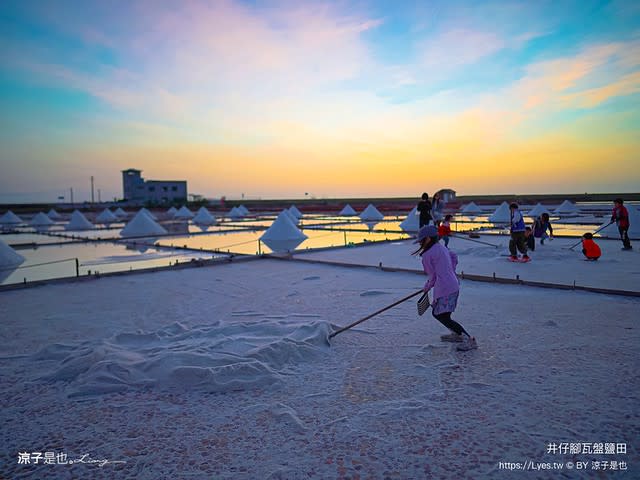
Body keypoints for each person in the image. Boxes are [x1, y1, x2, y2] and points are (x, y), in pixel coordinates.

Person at [412, 225, 477, 351]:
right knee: (443, 315)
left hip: (445, 288)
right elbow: (453, 256)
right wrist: (449, 271)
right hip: (452, 285)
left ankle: (468, 339)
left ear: (428, 239)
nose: (419, 242)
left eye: (421, 240)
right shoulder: (441, 247)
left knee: (440, 315)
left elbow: (433, 276)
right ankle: (457, 334)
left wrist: (427, 287)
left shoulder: (427, 255)